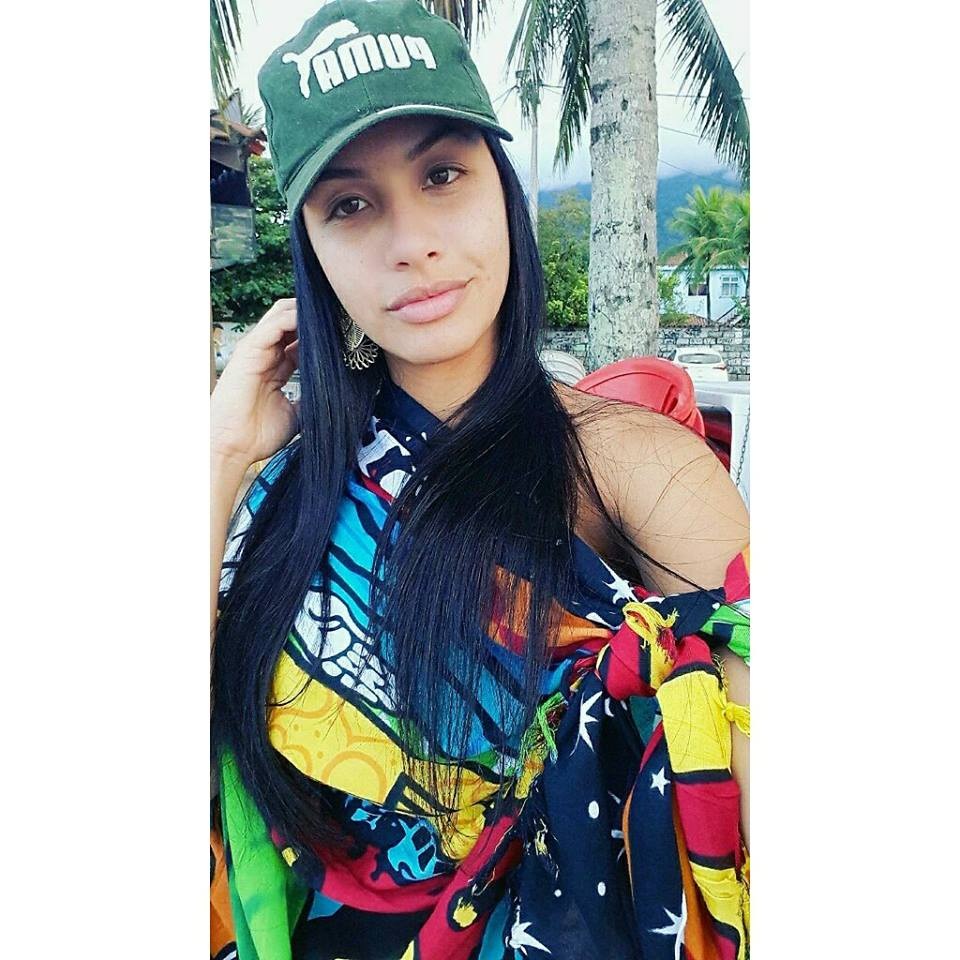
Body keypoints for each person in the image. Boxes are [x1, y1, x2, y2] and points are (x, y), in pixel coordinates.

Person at [210, 3, 750, 959]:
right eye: (349, 205)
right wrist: (218, 459)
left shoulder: (635, 468)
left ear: (502, 188)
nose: (411, 242)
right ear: (312, 252)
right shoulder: (279, 487)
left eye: (442, 175)